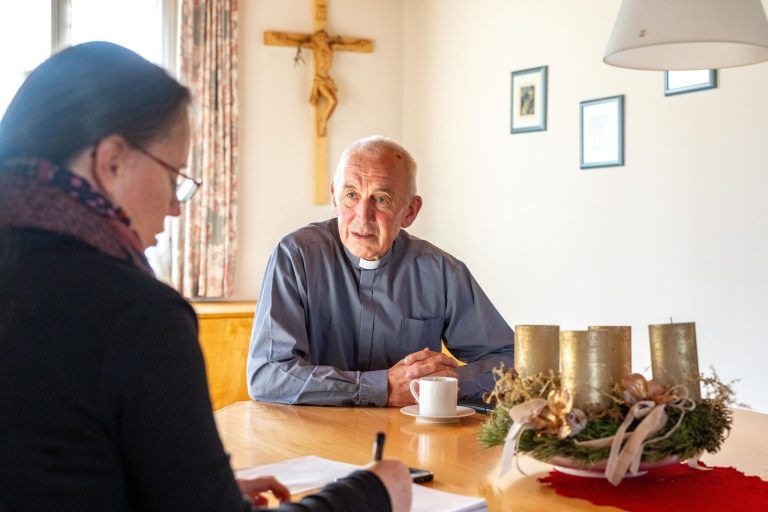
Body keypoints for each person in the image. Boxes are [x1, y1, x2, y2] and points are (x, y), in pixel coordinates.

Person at [0, 42, 410, 512]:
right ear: (111, 161)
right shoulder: (136, 315)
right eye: (174, 177)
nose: (176, 206)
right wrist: (373, 493)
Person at [248, 136, 514, 407]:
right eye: (351, 195)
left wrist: (440, 383)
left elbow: (511, 358)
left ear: (410, 211)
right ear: (335, 199)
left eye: (382, 199)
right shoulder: (296, 256)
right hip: (314, 433)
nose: (363, 216)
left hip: (408, 437)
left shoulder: (441, 272)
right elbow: (267, 374)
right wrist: (382, 387)